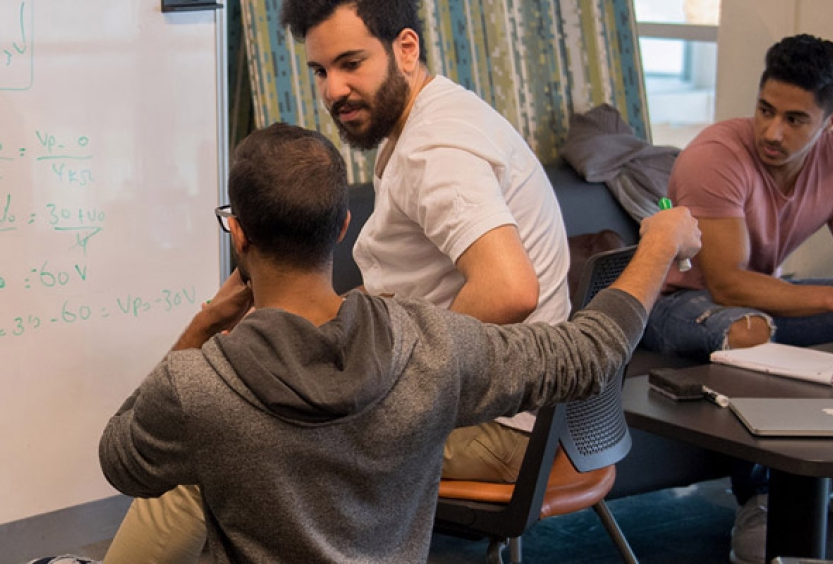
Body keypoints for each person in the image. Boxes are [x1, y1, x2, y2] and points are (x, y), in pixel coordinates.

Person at [99, 122, 702, 563]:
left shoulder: (198, 388)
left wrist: (205, 324)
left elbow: (120, 458)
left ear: (239, 234)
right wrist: (657, 245)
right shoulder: (432, 348)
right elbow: (592, 353)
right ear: (341, 227)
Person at [100, 1, 571, 560]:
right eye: (321, 71)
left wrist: (407, 376)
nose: (334, 89)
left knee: (214, 455)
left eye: (352, 63)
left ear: (406, 48)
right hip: (521, 416)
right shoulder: (430, 122)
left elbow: (510, 290)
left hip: (501, 431)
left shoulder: (434, 151)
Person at [640, 34, 833, 564]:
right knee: (751, 332)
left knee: (762, 325)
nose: (773, 132)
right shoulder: (716, 158)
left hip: (759, 301)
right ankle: (763, 498)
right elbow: (726, 283)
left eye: (796, 120)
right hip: (674, 302)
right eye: (765, 110)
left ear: (827, 124)